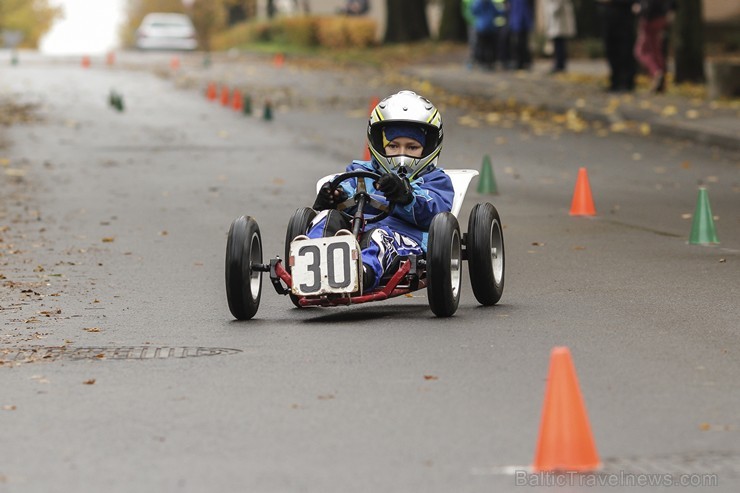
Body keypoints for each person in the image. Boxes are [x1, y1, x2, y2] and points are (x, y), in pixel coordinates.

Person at [306, 90, 454, 292]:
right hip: (353, 236)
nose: (401, 153)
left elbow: (437, 213)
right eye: (393, 146)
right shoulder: (361, 173)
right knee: (326, 218)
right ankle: (308, 264)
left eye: (412, 147)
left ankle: (362, 272)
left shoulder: (435, 180)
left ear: (427, 147)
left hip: (405, 239)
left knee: (379, 237)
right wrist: (333, 197)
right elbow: (345, 191)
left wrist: (406, 196)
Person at [597, 0, 638, 92]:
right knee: (611, 49)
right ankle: (615, 82)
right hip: (608, 15)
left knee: (625, 49)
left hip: (624, 15)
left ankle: (627, 82)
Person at [634, 0, 670, 93]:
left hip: (649, 18)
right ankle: (662, 82)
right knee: (656, 51)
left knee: (641, 51)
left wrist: (640, 9)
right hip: (661, 17)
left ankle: (656, 73)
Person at [471, 0, 509, 71]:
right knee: (486, 47)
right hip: (486, 28)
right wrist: (504, 10)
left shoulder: (480, 3)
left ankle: (487, 63)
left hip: (485, 28)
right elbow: (497, 12)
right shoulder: (482, 3)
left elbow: (474, 12)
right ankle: (486, 63)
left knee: (487, 46)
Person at [544, 0, 577, 73]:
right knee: (558, 45)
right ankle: (559, 64)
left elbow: (556, 7)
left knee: (560, 45)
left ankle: (559, 65)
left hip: (560, 23)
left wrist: (549, 9)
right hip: (557, 23)